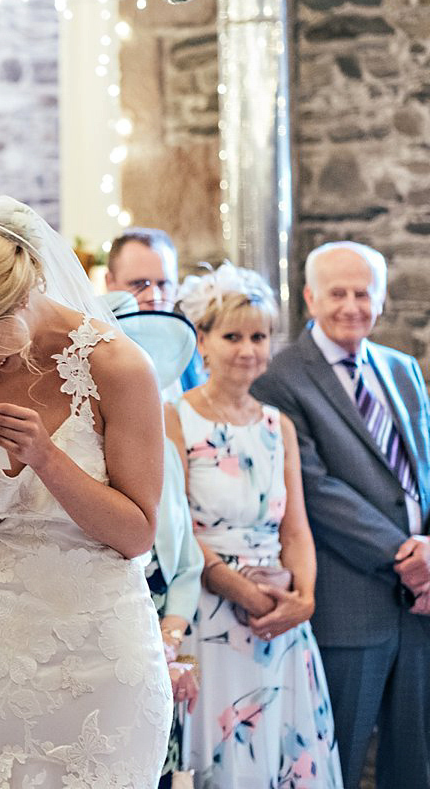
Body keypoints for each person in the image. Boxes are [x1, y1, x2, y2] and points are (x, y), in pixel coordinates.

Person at [0, 197, 171, 788]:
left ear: (20, 297)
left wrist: (45, 457)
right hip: (4, 648)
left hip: (105, 650)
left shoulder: (119, 368)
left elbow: (135, 534)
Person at [251, 242, 430, 789]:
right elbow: (313, 488)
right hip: (349, 606)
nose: (351, 305)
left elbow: (423, 466)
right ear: (309, 297)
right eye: (337, 293)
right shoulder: (279, 379)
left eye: (363, 293)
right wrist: (406, 554)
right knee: (338, 761)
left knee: (415, 766)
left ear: (380, 299)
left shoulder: (400, 368)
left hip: (421, 606)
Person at [170, 264, 341, 787]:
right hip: (211, 611)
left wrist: (303, 599)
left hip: (281, 623)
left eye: (259, 337)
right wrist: (245, 593)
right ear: (202, 340)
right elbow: (179, 534)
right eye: (233, 336)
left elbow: (296, 531)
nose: (248, 349)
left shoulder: (277, 425)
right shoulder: (174, 418)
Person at [105, 291, 205, 788]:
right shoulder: (81, 454)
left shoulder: (162, 447)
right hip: (107, 644)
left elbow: (188, 563)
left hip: (163, 638)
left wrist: (170, 644)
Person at [107, 228, 204, 393]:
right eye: (138, 284)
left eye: (163, 284)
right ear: (110, 282)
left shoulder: (192, 346)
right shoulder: (97, 351)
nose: (154, 297)